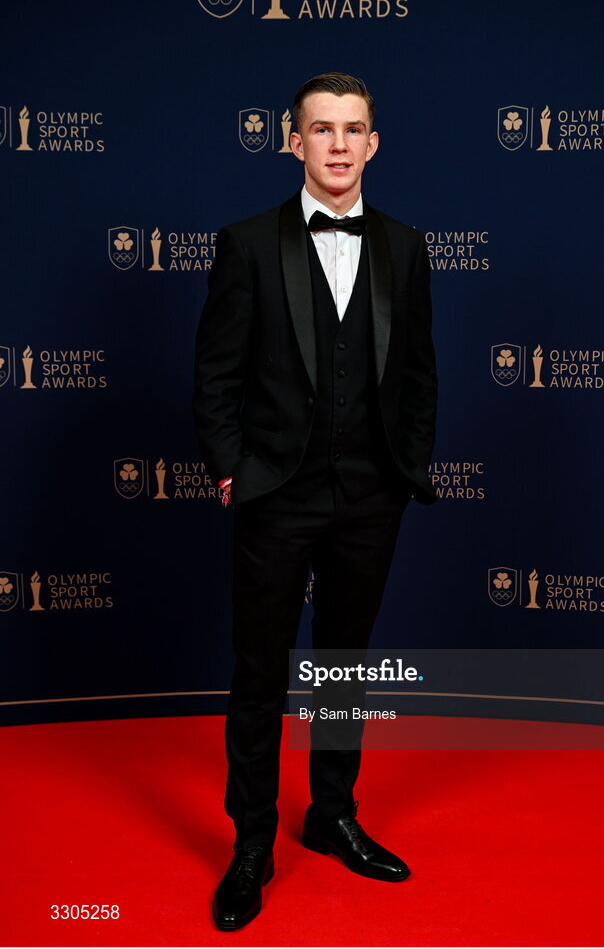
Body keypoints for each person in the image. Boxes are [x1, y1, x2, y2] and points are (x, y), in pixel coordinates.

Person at [193, 71, 437, 930]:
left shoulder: (406, 247)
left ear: (373, 143)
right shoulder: (248, 243)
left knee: (343, 666)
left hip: (372, 498)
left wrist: (407, 469)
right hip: (275, 494)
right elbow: (215, 376)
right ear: (292, 142)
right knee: (260, 675)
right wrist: (233, 471)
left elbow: (416, 377)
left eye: (353, 128)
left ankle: (331, 813)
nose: (337, 143)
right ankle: (251, 843)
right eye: (320, 128)